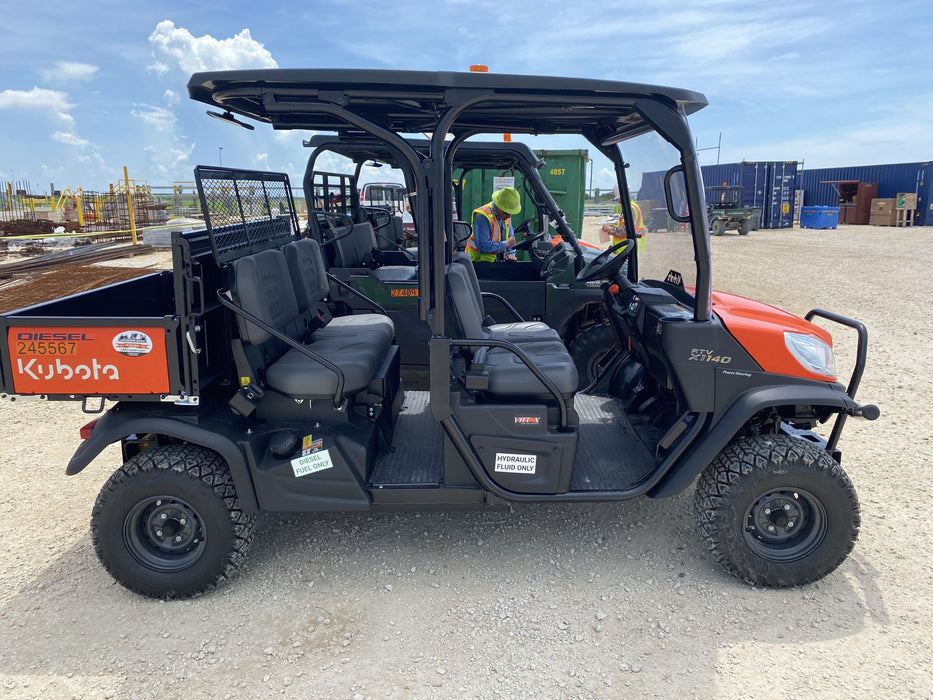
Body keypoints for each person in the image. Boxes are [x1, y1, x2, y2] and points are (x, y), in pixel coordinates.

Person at [467, 186, 521, 262]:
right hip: (479, 264)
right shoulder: (482, 216)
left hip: (497, 263)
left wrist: (511, 254)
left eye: (511, 213)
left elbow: (510, 241)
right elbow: (483, 246)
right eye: (506, 213)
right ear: (498, 206)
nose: (509, 216)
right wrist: (505, 244)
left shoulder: (506, 216)